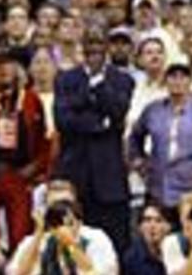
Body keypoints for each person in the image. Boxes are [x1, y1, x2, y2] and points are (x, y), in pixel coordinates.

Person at [54, 24, 136, 253]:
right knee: (74, 246)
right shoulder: (66, 79)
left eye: (99, 43)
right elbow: (63, 120)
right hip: (76, 174)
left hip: (110, 181)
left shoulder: (122, 80)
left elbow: (118, 113)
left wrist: (98, 85)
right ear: (82, 47)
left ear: (107, 47)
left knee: (115, 246)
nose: (94, 49)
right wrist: (100, 124)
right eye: (90, 43)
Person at [0, 50, 51, 252]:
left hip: (19, 176)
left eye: (9, 64)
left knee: (20, 234)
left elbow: (44, 141)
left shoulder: (31, 101)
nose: (4, 69)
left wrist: (35, 167)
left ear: (17, 69)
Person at [127, 62, 192, 211]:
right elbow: (135, 137)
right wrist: (139, 163)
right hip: (158, 188)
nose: (178, 81)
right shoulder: (153, 110)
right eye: (173, 77)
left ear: (190, 81)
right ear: (166, 81)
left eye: (183, 77)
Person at [8, 180, 120, 275]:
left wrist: (71, 245)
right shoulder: (34, 241)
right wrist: (38, 235)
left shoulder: (95, 238)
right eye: (55, 207)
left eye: (67, 205)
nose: (62, 211)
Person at [123, 204, 171, 275]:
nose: (152, 226)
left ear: (168, 227)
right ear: (140, 227)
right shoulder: (132, 257)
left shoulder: (178, 250)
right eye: (147, 220)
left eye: (158, 220)